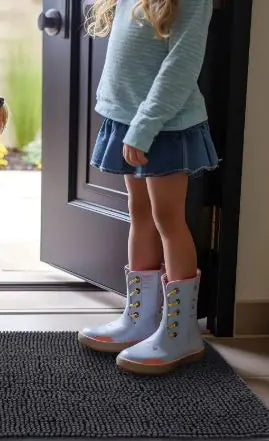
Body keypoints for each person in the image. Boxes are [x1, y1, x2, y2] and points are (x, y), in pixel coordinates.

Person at [78, 0, 218, 375]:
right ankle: (140, 319)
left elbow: (182, 66)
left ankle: (182, 333)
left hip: (165, 125)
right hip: (128, 121)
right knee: (139, 214)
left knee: (168, 220)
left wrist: (144, 126)